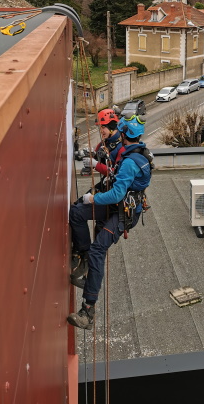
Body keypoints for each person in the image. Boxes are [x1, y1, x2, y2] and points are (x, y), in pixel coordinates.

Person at [67, 114, 152, 330]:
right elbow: (115, 177)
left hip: (123, 212)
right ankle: (83, 258)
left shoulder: (131, 161)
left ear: (123, 134)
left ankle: (88, 311)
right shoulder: (136, 153)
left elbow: (116, 194)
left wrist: (93, 198)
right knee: (77, 212)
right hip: (121, 205)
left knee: (98, 250)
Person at [69, 109, 123, 281]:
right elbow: (96, 153)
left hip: (113, 197)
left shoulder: (121, 149)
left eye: (104, 128)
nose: (102, 131)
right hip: (105, 188)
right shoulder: (105, 143)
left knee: (78, 213)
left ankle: (84, 253)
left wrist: (95, 165)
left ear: (113, 127)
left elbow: (116, 174)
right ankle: (82, 251)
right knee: (77, 205)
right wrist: (82, 155)